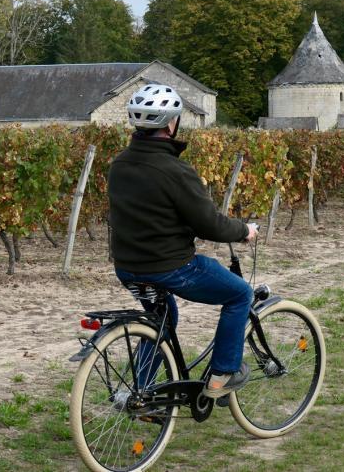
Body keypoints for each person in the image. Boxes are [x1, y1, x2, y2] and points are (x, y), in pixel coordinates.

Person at [108, 84, 258, 399]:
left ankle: (141, 389)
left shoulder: (119, 164)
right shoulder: (174, 169)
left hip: (128, 268)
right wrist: (244, 230)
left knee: (163, 318)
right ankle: (222, 375)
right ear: (171, 123)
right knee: (240, 294)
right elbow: (210, 225)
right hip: (171, 267)